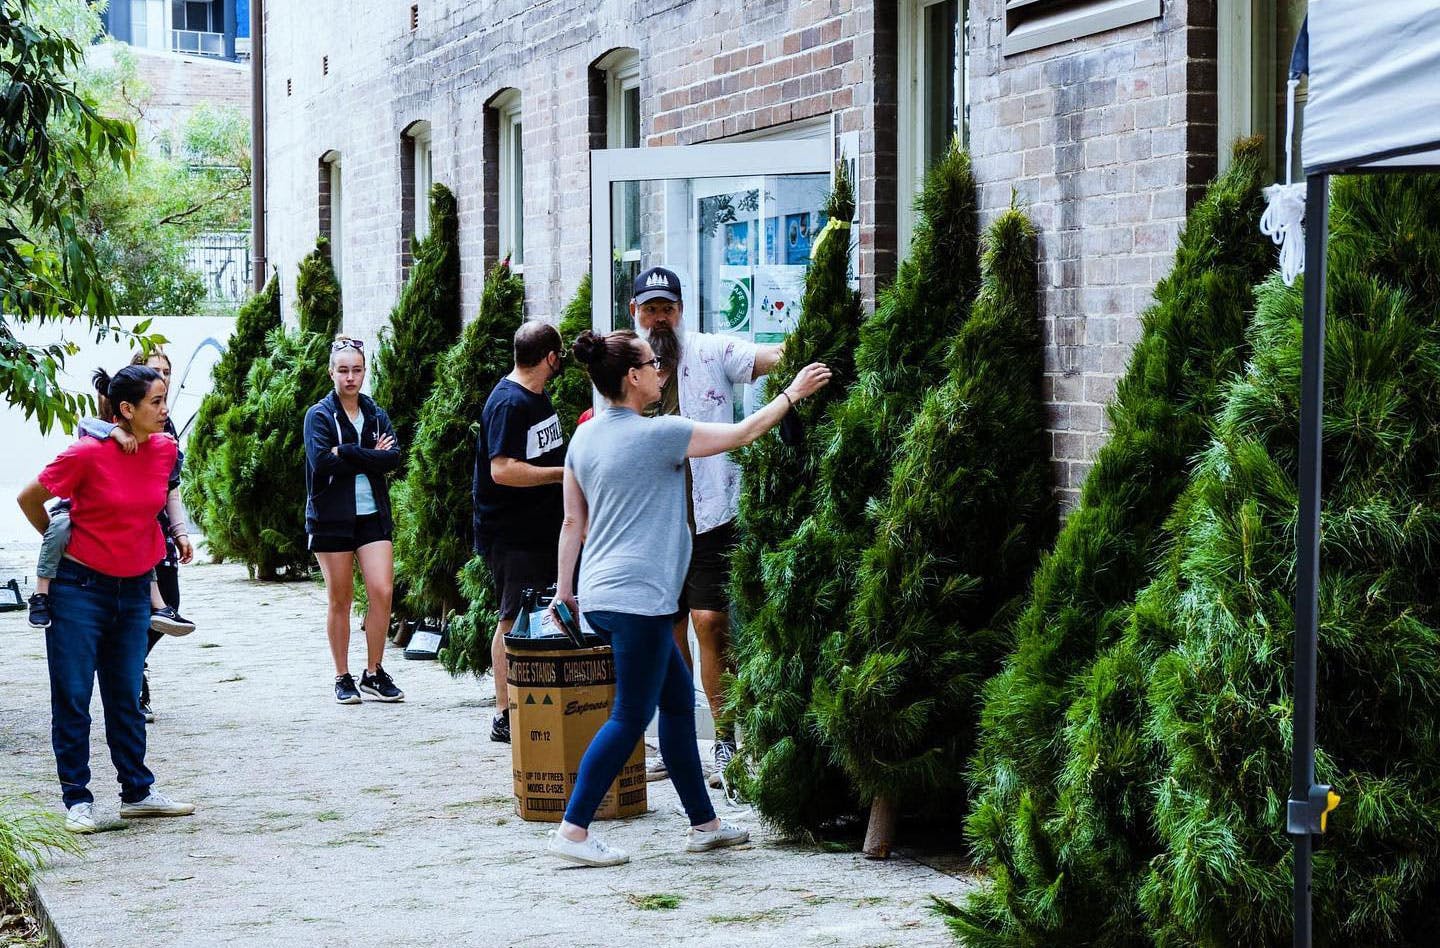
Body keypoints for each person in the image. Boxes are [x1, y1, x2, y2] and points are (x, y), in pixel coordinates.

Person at [546, 328, 829, 866]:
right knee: (630, 716)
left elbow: (570, 522)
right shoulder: (661, 433)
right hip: (641, 599)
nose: (661, 370)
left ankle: (705, 824)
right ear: (632, 377)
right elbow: (744, 432)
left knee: (676, 703)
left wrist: (565, 595)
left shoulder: (584, 437)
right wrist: (792, 393)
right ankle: (573, 829)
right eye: (652, 364)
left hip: (602, 594)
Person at [17, 365, 197, 833]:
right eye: (155, 402)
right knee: (74, 697)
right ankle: (77, 799)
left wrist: (174, 534)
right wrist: (67, 547)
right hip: (78, 591)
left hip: (135, 590)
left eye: (164, 400)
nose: (164, 410)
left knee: (125, 697)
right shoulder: (85, 454)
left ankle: (138, 792)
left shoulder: (163, 450)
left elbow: (159, 502)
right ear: (126, 409)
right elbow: (29, 499)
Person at [629, 266, 784, 785]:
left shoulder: (708, 350)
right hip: (652, 524)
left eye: (666, 309)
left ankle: (724, 741)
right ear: (635, 313)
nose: (659, 319)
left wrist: (804, 347)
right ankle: (673, 745)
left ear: (680, 312)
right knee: (666, 632)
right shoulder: (626, 368)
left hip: (711, 515)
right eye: (650, 309)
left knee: (709, 623)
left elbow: (761, 360)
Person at [472, 321, 567, 743]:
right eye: (559, 355)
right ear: (550, 357)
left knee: (534, 615)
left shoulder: (536, 394)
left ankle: (537, 700)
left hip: (540, 529)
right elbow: (502, 469)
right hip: (511, 533)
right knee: (511, 618)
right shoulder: (509, 403)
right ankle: (504, 714)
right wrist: (562, 475)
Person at [303, 335, 404, 705]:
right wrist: (365, 455)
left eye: (357, 370)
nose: (350, 377)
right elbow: (323, 461)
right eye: (343, 370)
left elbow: (392, 458)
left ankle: (374, 672)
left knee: (382, 591)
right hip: (332, 518)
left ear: (364, 372)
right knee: (340, 598)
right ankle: (342, 675)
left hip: (372, 515)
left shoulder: (375, 412)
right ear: (332, 372)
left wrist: (347, 451)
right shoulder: (319, 415)